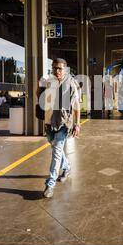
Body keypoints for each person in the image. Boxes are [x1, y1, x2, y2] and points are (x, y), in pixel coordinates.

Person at [41, 58, 81, 198]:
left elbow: (76, 106)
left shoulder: (71, 84)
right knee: (54, 148)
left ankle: (50, 184)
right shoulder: (49, 82)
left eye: (60, 68)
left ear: (65, 69)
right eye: (54, 68)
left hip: (64, 123)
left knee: (57, 151)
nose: (57, 70)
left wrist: (77, 124)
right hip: (48, 122)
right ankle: (67, 168)